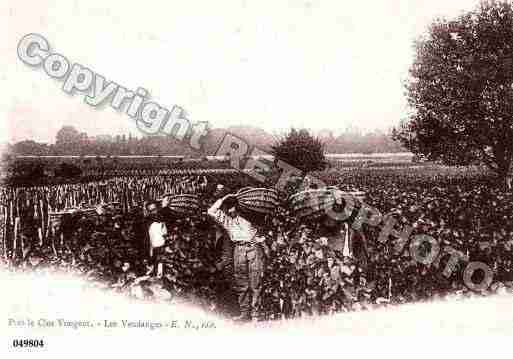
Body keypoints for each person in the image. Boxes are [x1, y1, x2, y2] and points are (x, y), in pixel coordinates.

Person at [208, 194, 266, 322]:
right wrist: (223, 198)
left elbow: (262, 226)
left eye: (233, 207)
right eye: (228, 208)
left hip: (253, 248)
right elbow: (211, 211)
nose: (230, 210)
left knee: (255, 283)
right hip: (239, 250)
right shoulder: (228, 221)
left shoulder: (251, 217)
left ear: (238, 207)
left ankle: (256, 314)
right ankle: (245, 313)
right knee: (241, 283)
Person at [145, 201, 168, 278]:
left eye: (154, 209)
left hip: (162, 247)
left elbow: (165, 234)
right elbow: (149, 238)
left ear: (157, 209)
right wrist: (150, 251)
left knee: (161, 267)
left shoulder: (162, 220)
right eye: (150, 211)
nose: (153, 212)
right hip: (153, 248)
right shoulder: (147, 222)